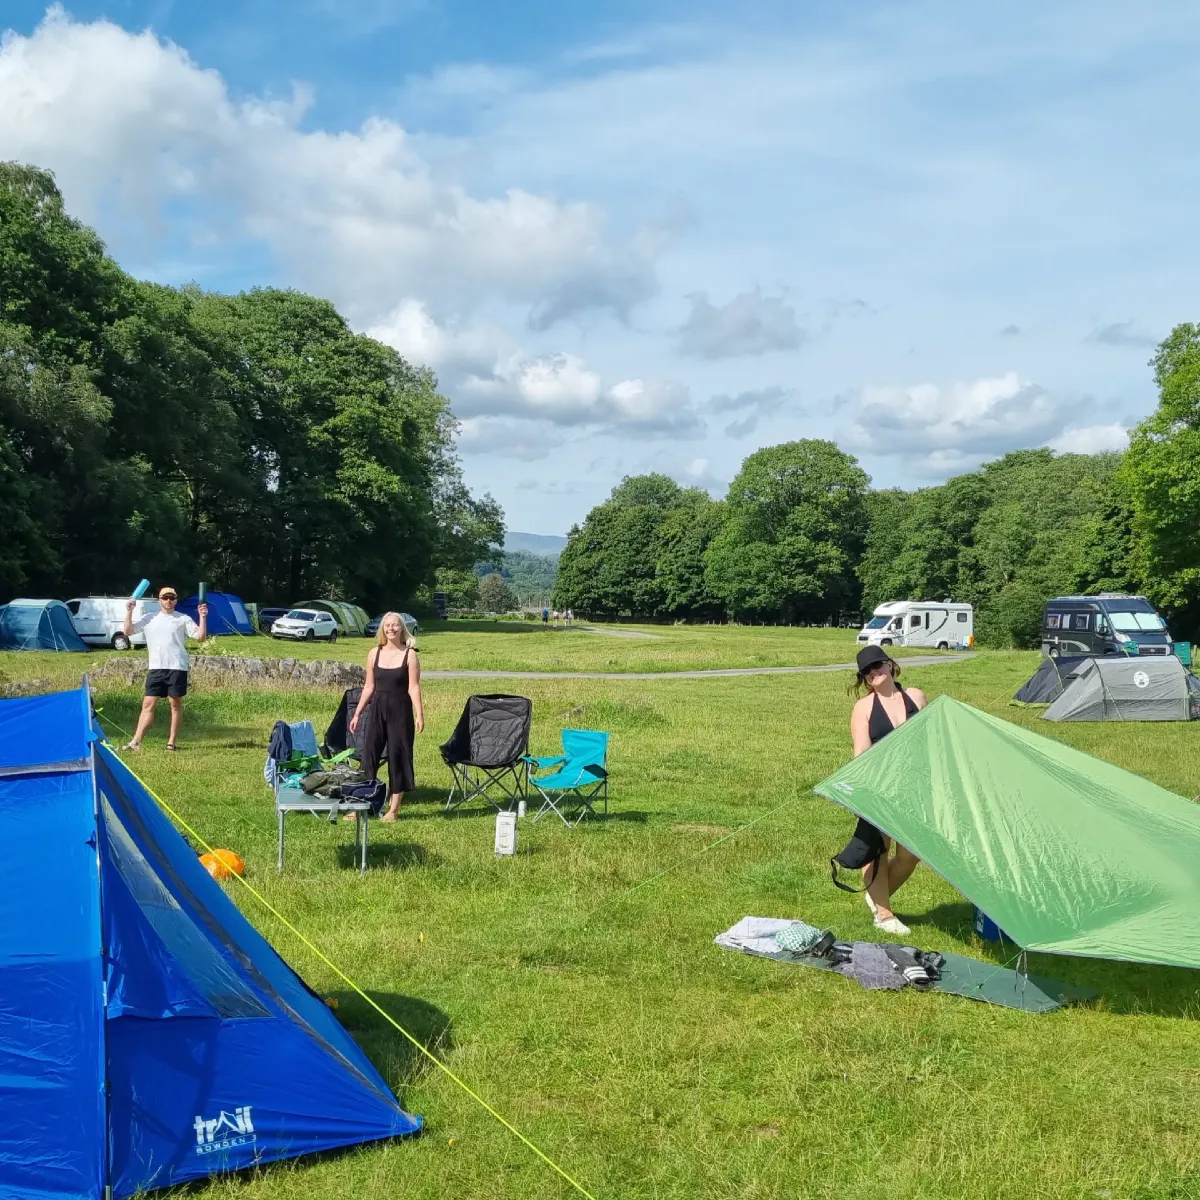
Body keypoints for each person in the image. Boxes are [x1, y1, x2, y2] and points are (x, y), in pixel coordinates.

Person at [848, 644, 927, 935]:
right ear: (864, 679)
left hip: (914, 786)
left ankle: (876, 897)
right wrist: (858, 795)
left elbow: (929, 741)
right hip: (879, 787)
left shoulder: (916, 696)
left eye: (878, 664)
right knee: (877, 849)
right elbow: (861, 753)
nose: (874, 672)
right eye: (867, 671)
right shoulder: (863, 708)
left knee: (910, 854)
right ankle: (883, 915)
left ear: (890, 664)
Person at [350, 612, 424, 822]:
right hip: (377, 710)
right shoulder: (374, 653)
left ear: (402, 628)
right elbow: (369, 686)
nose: (391, 628)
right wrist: (357, 713)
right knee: (369, 756)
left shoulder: (410, 655)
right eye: (387, 625)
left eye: (395, 625)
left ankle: (393, 810)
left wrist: (419, 714)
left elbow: (414, 687)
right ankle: (360, 806)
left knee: (398, 756)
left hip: (401, 711)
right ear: (382, 629)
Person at [122, 587, 208, 752]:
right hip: (156, 667)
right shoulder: (149, 618)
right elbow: (127, 631)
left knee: (175, 704)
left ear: (176, 600)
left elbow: (200, 637)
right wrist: (129, 611)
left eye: (171, 597)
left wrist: (203, 617)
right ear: (159, 600)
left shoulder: (183, 618)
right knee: (148, 704)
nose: (168, 600)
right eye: (165, 597)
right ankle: (136, 742)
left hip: (177, 667)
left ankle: (171, 742)